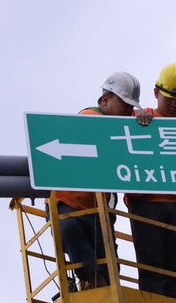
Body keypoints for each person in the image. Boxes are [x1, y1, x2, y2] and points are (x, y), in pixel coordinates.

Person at [48, 71, 142, 290]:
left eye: (132, 106)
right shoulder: (90, 116)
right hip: (65, 204)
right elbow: (98, 129)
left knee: (109, 263)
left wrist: (142, 118)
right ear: (105, 100)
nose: (129, 110)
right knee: (70, 231)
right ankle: (93, 282)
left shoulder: (123, 123)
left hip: (98, 211)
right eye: (124, 103)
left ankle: (104, 289)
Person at [125, 63, 176, 300]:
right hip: (146, 203)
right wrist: (136, 119)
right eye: (170, 100)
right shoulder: (138, 119)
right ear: (156, 93)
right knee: (152, 268)